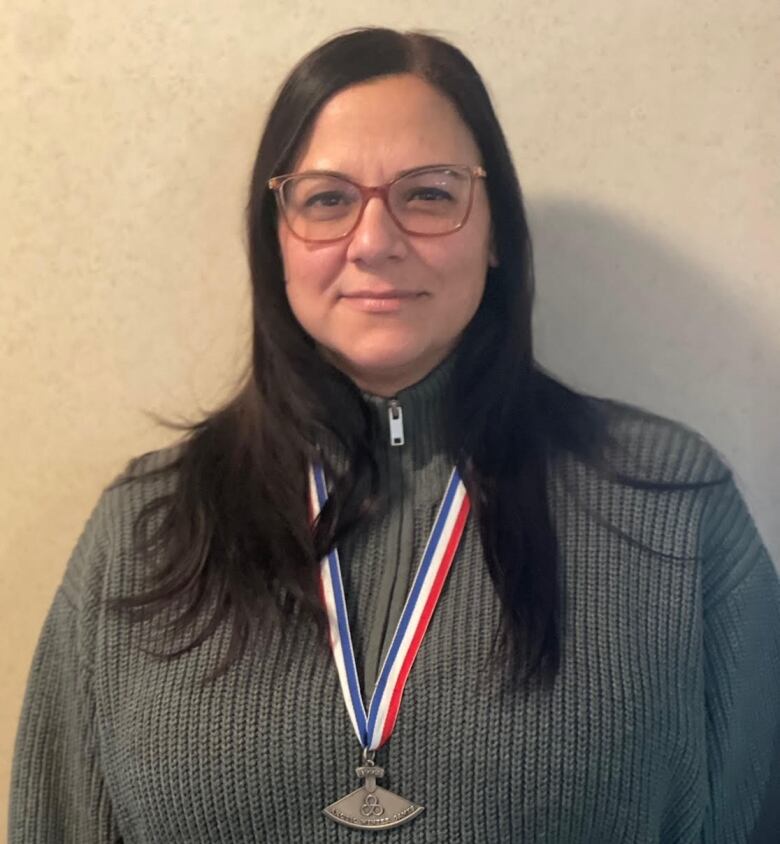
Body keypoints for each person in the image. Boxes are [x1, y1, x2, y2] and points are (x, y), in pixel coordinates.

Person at [9, 27, 780, 844]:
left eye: (429, 193)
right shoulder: (144, 530)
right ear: (275, 242)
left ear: (496, 237)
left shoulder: (671, 513)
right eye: (327, 199)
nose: (375, 242)